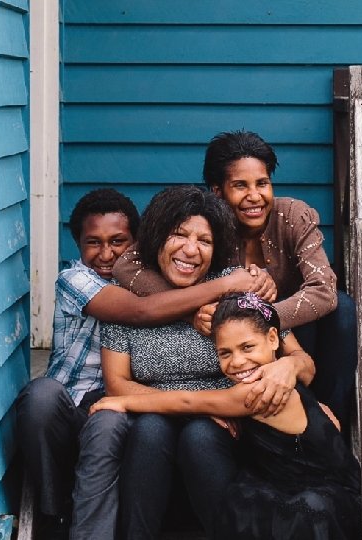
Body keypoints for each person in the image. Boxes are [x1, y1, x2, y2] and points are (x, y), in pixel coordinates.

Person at [15, 188, 274, 539]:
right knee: (43, 396)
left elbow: (282, 342)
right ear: (77, 243)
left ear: (136, 242)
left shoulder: (155, 284)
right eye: (93, 242)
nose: (107, 254)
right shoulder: (83, 282)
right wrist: (228, 284)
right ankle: (52, 512)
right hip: (77, 401)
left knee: (132, 426)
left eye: (118, 241)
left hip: (120, 408)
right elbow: (141, 311)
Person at [96, 185, 317, 538]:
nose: (190, 250)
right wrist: (195, 408)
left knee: (199, 436)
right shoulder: (130, 297)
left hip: (234, 425)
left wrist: (288, 367)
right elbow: (117, 384)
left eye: (204, 240)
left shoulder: (237, 291)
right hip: (157, 421)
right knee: (152, 430)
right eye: (179, 235)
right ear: (156, 238)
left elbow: (302, 360)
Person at [114, 130, 359, 425]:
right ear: (217, 191)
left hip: (289, 329)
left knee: (343, 309)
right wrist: (191, 308)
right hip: (235, 346)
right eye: (240, 185)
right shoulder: (207, 226)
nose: (254, 196)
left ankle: (330, 423)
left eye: (262, 184)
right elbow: (127, 265)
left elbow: (323, 291)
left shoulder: (293, 215)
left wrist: (260, 315)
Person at [91, 292, 362, 540]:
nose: (237, 362)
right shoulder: (275, 379)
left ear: (272, 339)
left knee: (251, 512)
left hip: (326, 492)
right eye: (225, 353)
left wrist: (123, 401)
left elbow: (187, 401)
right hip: (287, 480)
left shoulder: (259, 390)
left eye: (247, 347)